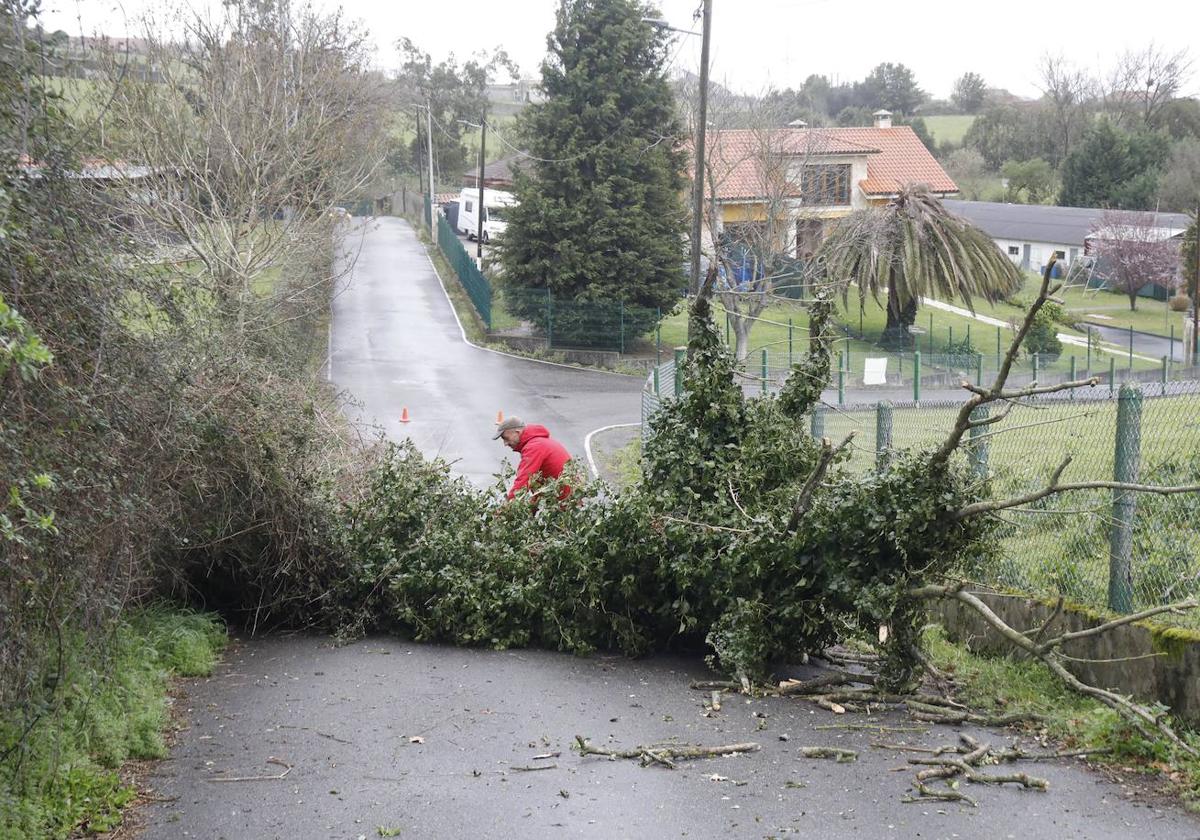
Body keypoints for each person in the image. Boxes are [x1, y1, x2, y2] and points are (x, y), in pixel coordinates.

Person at [493, 417, 572, 502]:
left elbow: (523, 481)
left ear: (517, 432)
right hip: (565, 497)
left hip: (564, 501)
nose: (505, 443)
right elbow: (537, 485)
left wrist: (507, 508)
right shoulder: (537, 442)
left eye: (506, 438)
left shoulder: (533, 447)